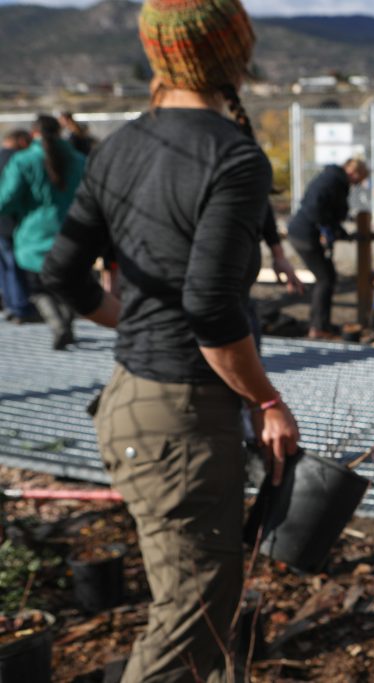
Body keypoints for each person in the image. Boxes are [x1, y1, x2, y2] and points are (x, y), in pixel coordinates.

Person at [41, 1, 301, 680]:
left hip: (130, 402)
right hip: (182, 417)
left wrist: (128, 322)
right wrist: (267, 400)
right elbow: (211, 309)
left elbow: (61, 271)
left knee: (189, 596)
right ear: (234, 54)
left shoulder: (121, 144)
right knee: (193, 618)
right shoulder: (235, 158)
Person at [0, 115, 85, 349]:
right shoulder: (78, 159)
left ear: (34, 133)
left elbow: (6, 198)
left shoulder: (24, 160)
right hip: (75, 230)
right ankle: (67, 321)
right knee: (66, 281)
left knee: (37, 286)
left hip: (35, 235)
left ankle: (58, 323)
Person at [286, 158, 368, 339]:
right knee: (326, 278)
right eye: (357, 179)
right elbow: (319, 209)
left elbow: (329, 210)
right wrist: (329, 230)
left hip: (302, 230)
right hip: (305, 233)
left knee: (326, 277)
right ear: (354, 173)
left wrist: (336, 231)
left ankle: (320, 324)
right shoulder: (334, 181)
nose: (355, 183)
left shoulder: (331, 178)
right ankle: (318, 327)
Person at [0, 129, 37, 324]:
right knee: (15, 265)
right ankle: (21, 307)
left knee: (4, 268)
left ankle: (10, 305)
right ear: (21, 141)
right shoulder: (18, 160)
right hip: (10, 222)